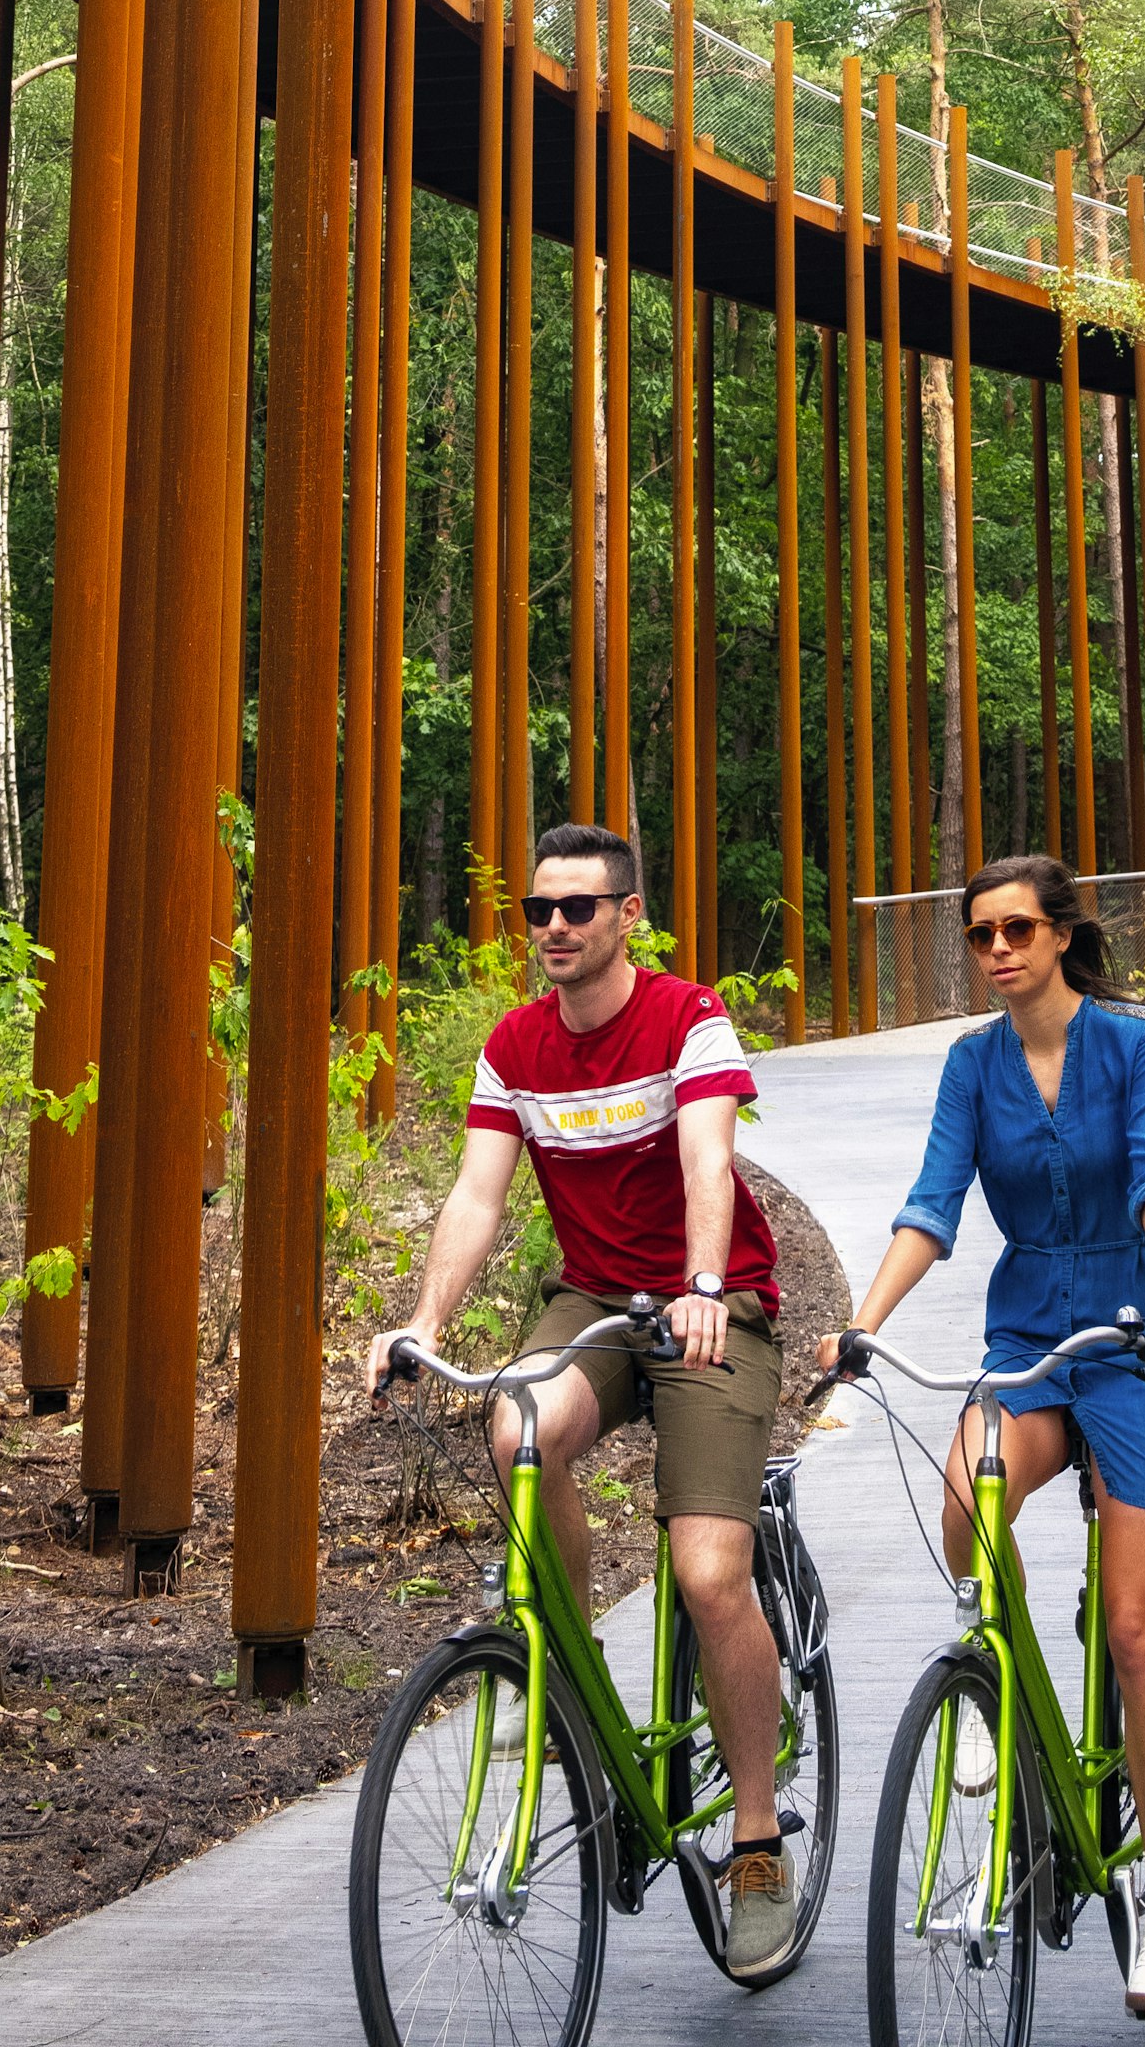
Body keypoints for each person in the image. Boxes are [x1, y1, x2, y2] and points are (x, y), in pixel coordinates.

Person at [369, 823, 801, 1983]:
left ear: (627, 914)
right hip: (595, 1299)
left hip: (715, 1304)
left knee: (710, 1572)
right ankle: (555, 1661)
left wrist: (707, 1283)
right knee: (516, 1423)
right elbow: (475, 1194)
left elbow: (709, 1161)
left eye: (577, 906)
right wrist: (425, 1323)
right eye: (536, 909)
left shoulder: (686, 1015)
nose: (553, 927)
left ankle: (757, 1843)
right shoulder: (515, 1044)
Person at [824, 856, 1145, 2027]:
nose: (996, 948)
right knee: (966, 1497)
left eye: (1015, 928)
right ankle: (999, 1686)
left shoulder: (1134, 1042)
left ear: (1059, 936)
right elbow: (933, 1203)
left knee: (1139, 1627)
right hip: (1032, 1335)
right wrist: (861, 1323)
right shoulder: (972, 1062)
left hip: (1142, 1335)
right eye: (979, 932)